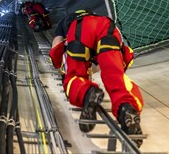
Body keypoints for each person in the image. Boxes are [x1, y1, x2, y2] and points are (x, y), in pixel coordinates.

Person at [49, 10, 144, 148]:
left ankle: (87, 92)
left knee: (74, 78)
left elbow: (57, 46)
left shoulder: (65, 21)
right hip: (107, 26)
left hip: (81, 29)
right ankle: (126, 107)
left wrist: (58, 61)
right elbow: (121, 57)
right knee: (115, 77)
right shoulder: (96, 15)